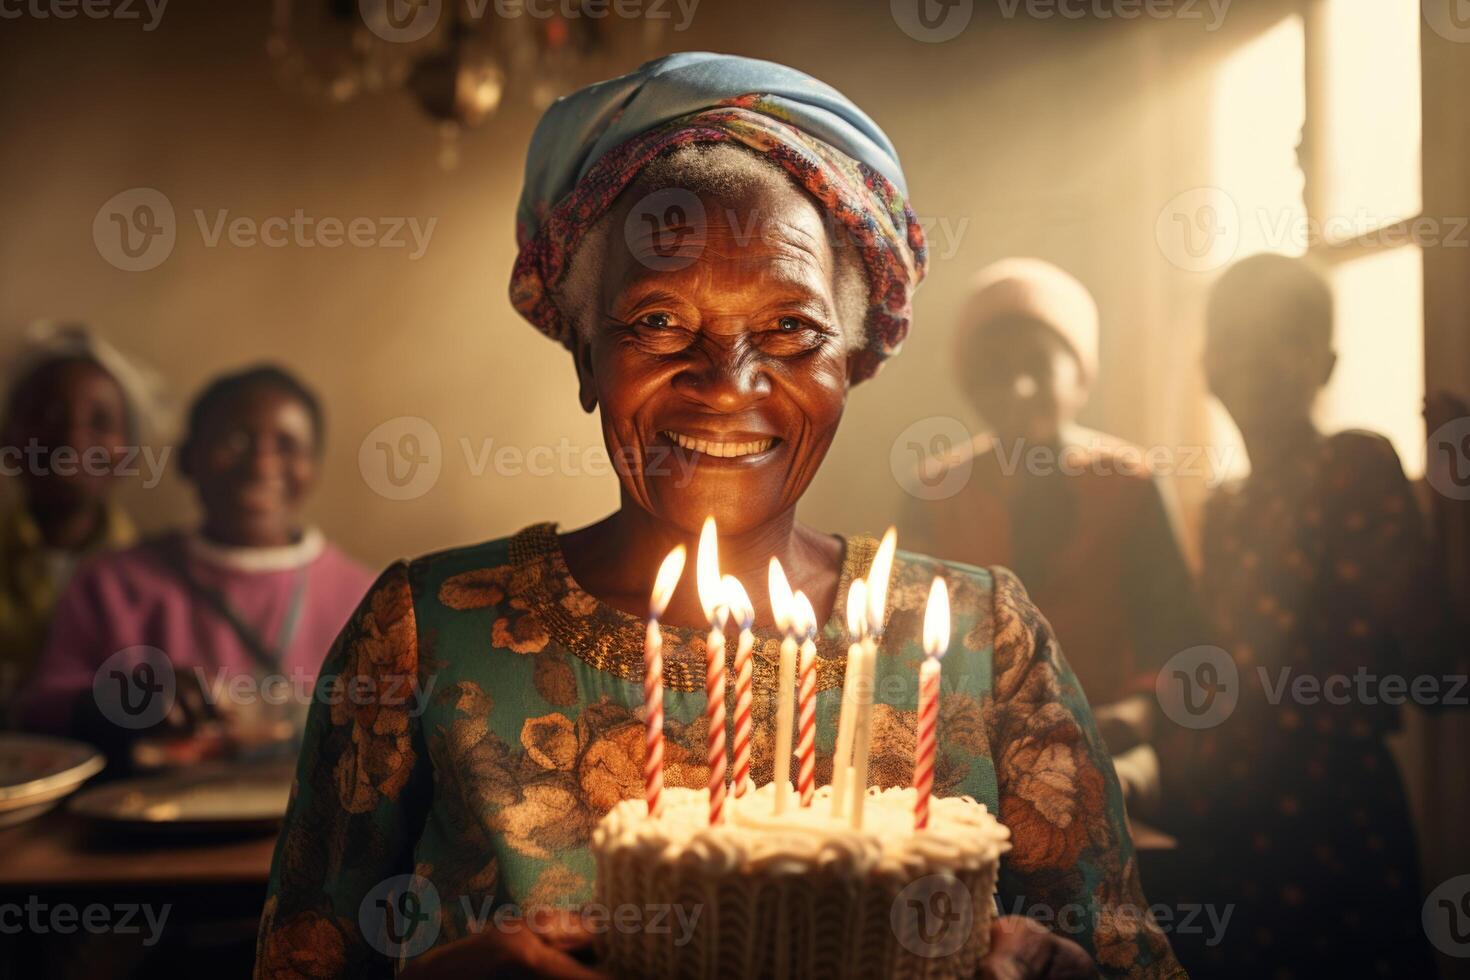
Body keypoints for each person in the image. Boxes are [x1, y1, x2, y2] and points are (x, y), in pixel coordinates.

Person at [254, 54, 1185, 980]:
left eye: (791, 330)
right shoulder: (425, 631)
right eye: (658, 323)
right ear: (584, 352)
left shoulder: (988, 642)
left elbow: (1128, 964)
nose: (726, 383)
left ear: (854, 362)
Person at [1161, 254, 1444, 977]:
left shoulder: (1354, 463)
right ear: (1208, 364)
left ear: (1326, 363)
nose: (1253, 355)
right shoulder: (1224, 507)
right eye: (1235, 336)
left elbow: (1427, 654)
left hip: (1339, 808)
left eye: (1281, 335)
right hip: (1235, 812)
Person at [904, 259, 1204, 809]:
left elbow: (1176, 635)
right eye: (993, 368)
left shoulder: (1129, 485)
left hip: (1105, 735)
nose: (1017, 386)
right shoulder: (937, 490)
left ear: (1081, 375)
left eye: (1038, 365)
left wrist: (1136, 712)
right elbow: (909, 637)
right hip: (975, 743)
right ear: (967, 380)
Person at [19, 365, 374, 759]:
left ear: (315, 468)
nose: (261, 466)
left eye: (287, 445)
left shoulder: (366, 599)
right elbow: (39, 712)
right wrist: (114, 703)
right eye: (236, 441)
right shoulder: (112, 583)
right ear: (187, 459)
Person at [0, 323, 170, 725]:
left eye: (99, 420)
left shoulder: (160, 581)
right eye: (48, 414)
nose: (72, 435)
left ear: (129, 452)